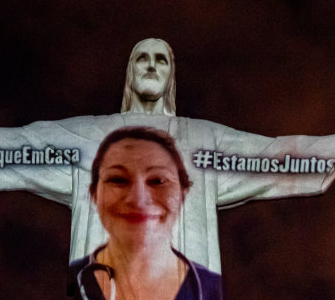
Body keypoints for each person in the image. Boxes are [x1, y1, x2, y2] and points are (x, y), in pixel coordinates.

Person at [0, 38, 335, 273]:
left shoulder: (203, 140)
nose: (151, 65)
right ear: (129, 74)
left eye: (161, 59)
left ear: (172, 75)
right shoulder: (90, 135)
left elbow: (269, 156)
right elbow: (22, 143)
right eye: (141, 58)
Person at [68, 126, 222, 300]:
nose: (138, 199)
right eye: (118, 179)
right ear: (93, 194)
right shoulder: (65, 278)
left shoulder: (217, 289)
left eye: (158, 180)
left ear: (183, 194)